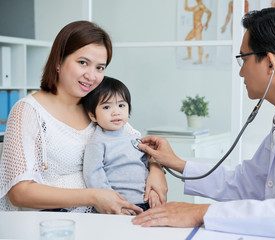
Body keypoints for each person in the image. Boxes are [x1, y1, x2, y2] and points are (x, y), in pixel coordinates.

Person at [132, 7, 275, 239]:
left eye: (243, 59)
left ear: (270, 63)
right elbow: (245, 183)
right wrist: (177, 163)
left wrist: (201, 213)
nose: (241, 73)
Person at [0, 20, 167, 214]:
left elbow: (136, 145)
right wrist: (94, 196)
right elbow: (19, 193)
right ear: (58, 61)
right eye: (83, 63)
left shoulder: (98, 108)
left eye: (100, 67)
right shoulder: (28, 111)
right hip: (56, 224)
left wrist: (156, 170)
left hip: (106, 221)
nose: (92, 76)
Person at [81, 76, 163, 212]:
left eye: (121, 105)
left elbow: (147, 168)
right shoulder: (97, 143)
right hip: (121, 207)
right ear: (92, 116)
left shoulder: (134, 139)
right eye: (107, 107)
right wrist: (114, 204)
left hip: (147, 202)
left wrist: (153, 191)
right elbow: (94, 177)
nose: (116, 112)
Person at [183, 0, 211, 64]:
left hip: (198, 27)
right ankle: (189, 56)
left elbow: (209, 13)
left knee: (199, 43)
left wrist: (207, 23)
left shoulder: (201, 6)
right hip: (195, 27)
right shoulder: (196, 6)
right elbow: (186, 8)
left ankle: (200, 60)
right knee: (187, 40)